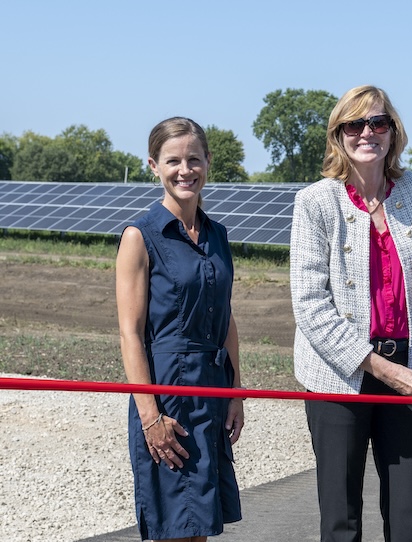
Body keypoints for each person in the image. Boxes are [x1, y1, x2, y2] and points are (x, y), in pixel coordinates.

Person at [290, 84, 412, 542]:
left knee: (409, 517)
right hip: (339, 375)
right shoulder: (315, 202)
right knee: (341, 521)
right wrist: (380, 368)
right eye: (355, 124)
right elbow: (309, 303)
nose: (368, 132)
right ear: (338, 135)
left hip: (409, 367)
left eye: (378, 122)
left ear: (393, 132)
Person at [116, 117, 244, 542]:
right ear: (154, 166)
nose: (184, 170)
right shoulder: (140, 236)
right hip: (166, 391)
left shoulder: (218, 235)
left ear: (208, 162)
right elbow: (130, 334)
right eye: (173, 160)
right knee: (173, 527)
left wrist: (235, 392)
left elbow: (226, 317)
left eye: (194, 159)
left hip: (210, 390)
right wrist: (150, 416)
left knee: (200, 527)